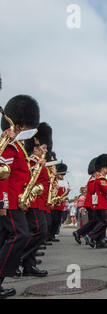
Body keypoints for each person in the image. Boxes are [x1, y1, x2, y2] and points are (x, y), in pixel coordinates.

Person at [0, 94, 40, 298]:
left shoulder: (15, 145)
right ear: (20, 124)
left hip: (15, 199)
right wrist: (2, 202)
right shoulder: (8, 144)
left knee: (7, 238)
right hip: (9, 200)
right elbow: (2, 175)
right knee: (20, 235)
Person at [20, 122, 53, 277]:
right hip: (32, 202)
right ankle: (20, 256)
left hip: (39, 202)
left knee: (38, 231)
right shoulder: (32, 162)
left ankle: (28, 265)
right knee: (40, 231)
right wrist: (37, 166)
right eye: (43, 148)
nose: (45, 150)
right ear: (35, 148)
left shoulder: (39, 163)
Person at [85, 154, 107, 248]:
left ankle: (99, 241)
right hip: (102, 204)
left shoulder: (98, 178)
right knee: (105, 221)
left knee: (102, 222)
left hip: (99, 204)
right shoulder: (101, 178)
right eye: (106, 168)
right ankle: (91, 235)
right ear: (103, 168)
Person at [73, 158, 97, 245]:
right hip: (92, 203)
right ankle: (80, 233)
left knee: (93, 221)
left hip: (91, 202)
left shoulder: (93, 179)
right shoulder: (93, 180)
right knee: (94, 221)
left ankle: (86, 236)